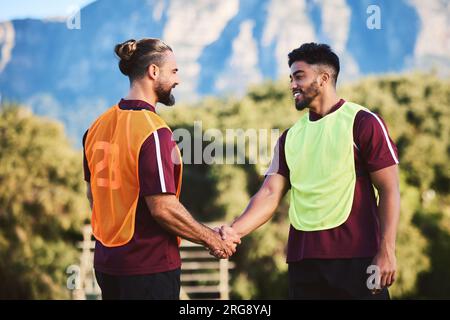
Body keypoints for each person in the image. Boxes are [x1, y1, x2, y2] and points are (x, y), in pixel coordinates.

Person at [219, 43, 400, 299]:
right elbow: (270, 193)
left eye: (299, 76)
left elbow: (390, 189)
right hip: (303, 263)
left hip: (358, 259)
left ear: (324, 78)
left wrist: (387, 250)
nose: (292, 84)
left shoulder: (363, 122)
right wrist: (234, 231)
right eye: (291, 78)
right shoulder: (289, 137)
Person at [82, 38, 239, 300]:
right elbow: (163, 208)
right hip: (147, 269)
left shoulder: (95, 126)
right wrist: (213, 240)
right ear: (153, 72)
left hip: (107, 265)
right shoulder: (154, 132)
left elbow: (92, 196)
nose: (177, 80)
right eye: (174, 71)